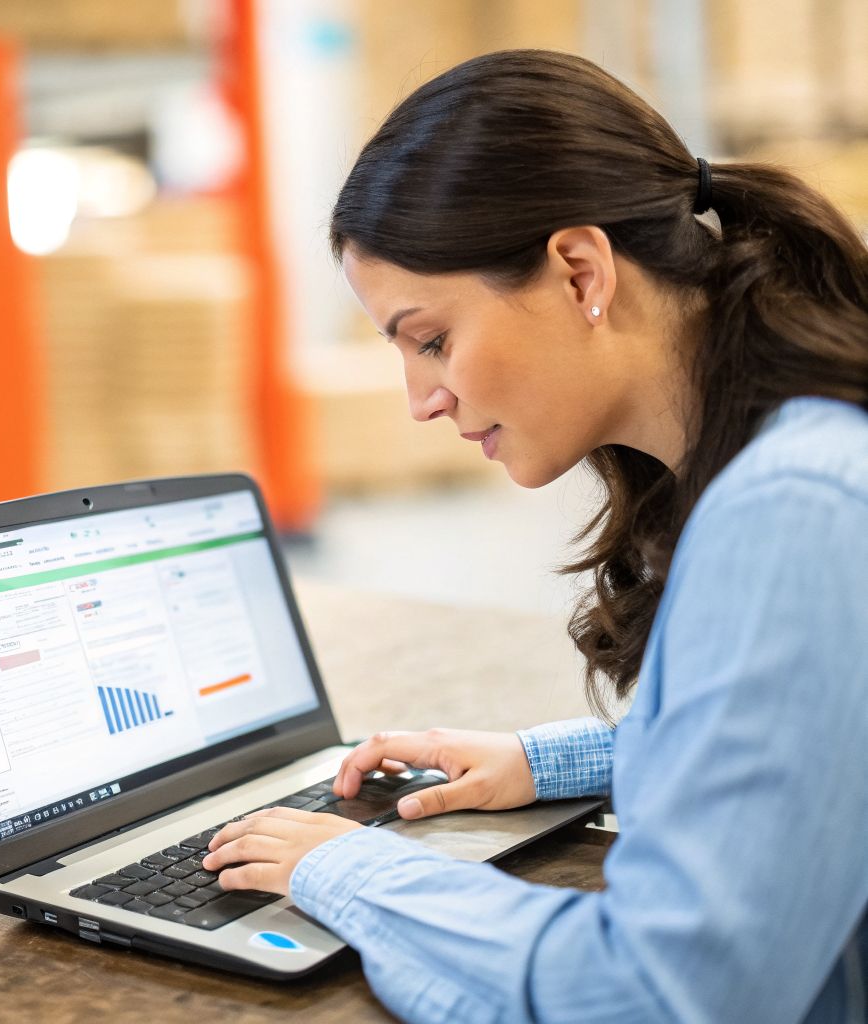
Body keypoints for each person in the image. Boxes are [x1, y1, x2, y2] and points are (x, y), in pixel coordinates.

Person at [198, 50, 868, 1022]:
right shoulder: (772, 457)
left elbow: (657, 994)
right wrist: (554, 762)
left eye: (428, 338)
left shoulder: (792, 509)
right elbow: (810, 734)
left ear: (578, 272)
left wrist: (352, 873)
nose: (421, 398)